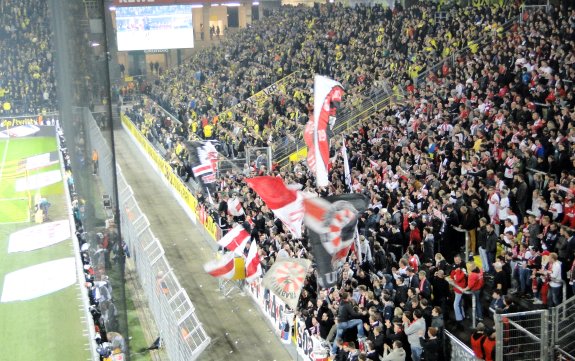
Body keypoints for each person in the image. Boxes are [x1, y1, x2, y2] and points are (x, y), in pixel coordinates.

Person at [331, 292, 367, 356]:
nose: (351, 297)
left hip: (339, 324)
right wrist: (361, 313)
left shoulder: (341, 302)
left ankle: (333, 352)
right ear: (347, 298)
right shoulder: (347, 304)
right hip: (345, 324)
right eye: (350, 296)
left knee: (337, 338)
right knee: (360, 321)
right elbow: (353, 314)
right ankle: (360, 336)